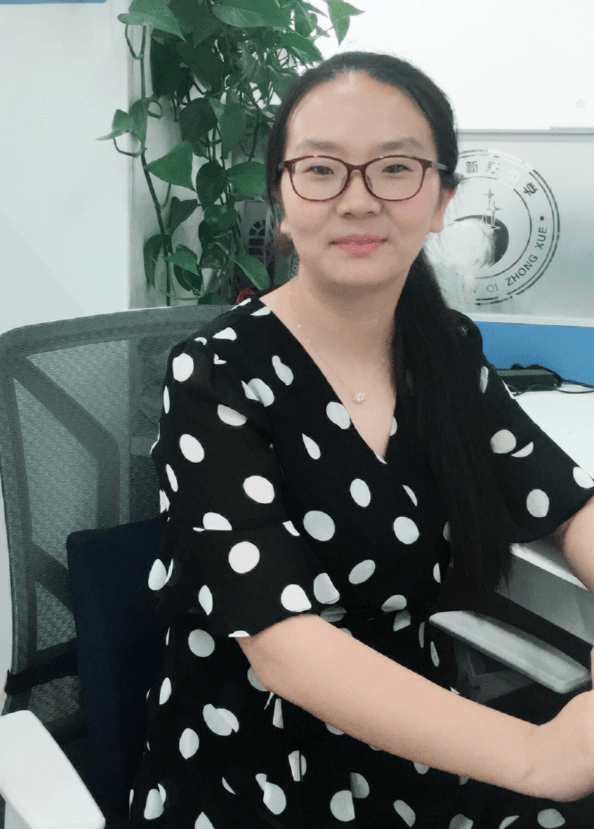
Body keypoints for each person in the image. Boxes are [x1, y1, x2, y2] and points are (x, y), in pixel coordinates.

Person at [129, 51, 594, 828]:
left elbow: (567, 499)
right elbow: (284, 643)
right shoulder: (216, 374)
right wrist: (540, 755)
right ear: (282, 201)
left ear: (442, 200)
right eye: (320, 170)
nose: (357, 199)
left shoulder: (442, 349)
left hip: (425, 738)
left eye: (396, 169)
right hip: (256, 768)